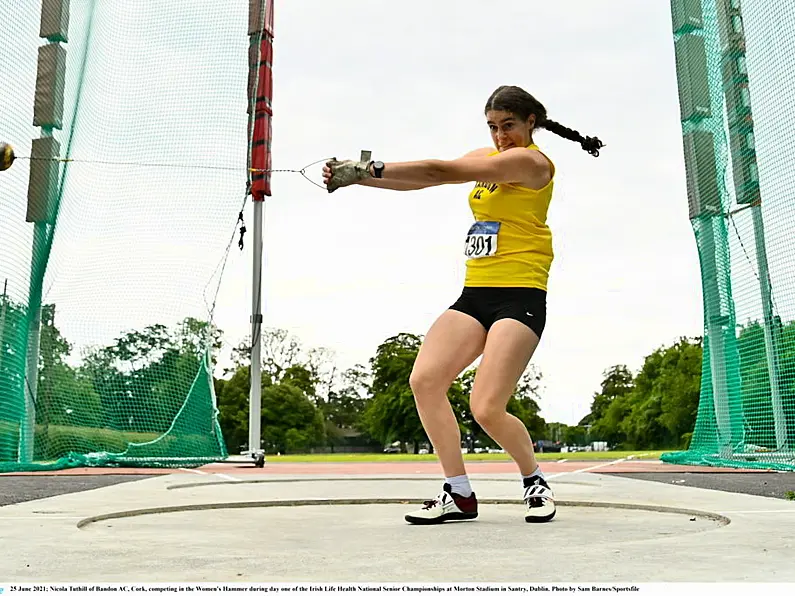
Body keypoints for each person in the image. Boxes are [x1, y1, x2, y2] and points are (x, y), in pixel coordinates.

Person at [322, 85, 604, 525]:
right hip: (475, 294)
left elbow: (440, 170)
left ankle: (533, 481)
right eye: (493, 127)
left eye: (508, 126)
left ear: (531, 122)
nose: (500, 136)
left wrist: (368, 166)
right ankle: (458, 493)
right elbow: (423, 179)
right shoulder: (488, 158)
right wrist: (361, 178)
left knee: (486, 407)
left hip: (521, 294)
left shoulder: (532, 163)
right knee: (425, 380)